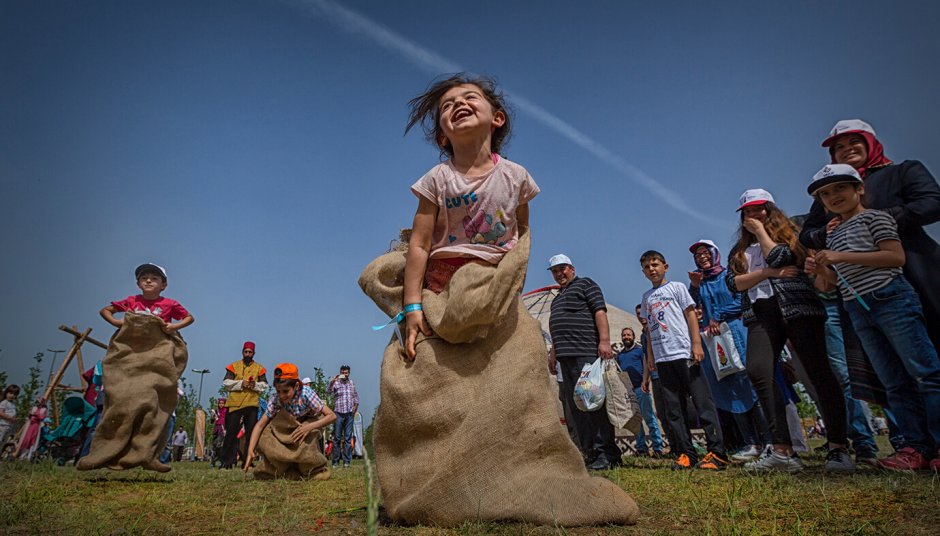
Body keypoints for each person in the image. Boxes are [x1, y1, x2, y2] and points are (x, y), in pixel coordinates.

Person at [806, 163, 940, 471]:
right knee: (892, 381)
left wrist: (839, 257)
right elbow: (831, 283)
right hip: (857, 306)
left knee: (925, 372)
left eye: (840, 188)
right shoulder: (832, 234)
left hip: (891, 297)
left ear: (859, 189)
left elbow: (895, 256)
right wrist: (821, 269)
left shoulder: (875, 217)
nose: (833, 196)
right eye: (826, 194)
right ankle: (916, 446)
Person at [401, 73, 539, 361]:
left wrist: (514, 283)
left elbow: (522, 235)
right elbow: (420, 243)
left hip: (495, 280)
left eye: (469, 97)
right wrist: (412, 306)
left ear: (497, 118)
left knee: (518, 358)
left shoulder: (516, 177)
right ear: (442, 135)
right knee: (432, 362)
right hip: (443, 283)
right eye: (448, 105)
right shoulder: (436, 179)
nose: (458, 103)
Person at [726, 189, 853, 473]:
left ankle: (838, 448)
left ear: (771, 209)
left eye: (759, 209)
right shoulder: (739, 251)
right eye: (748, 212)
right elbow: (733, 283)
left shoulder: (791, 234)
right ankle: (782, 450)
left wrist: (760, 233)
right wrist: (767, 274)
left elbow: (780, 256)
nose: (753, 215)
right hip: (760, 314)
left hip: (796, 307)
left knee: (818, 371)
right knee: (758, 370)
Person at [800, 119, 940, 352]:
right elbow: (807, 234)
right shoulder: (828, 193)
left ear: (871, 143)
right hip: (860, 288)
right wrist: (825, 233)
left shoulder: (902, 171)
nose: (847, 149)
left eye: (854, 141)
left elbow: (932, 203)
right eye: (839, 147)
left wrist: (873, 219)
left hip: (915, 270)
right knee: (883, 362)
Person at [639, 250, 728, 471]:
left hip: (683, 353)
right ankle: (686, 453)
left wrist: (696, 344)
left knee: (702, 403)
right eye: (647, 267)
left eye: (655, 264)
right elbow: (650, 329)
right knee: (673, 410)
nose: (652, 269)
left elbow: (690, 314)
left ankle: (717, 452)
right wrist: (651, 356)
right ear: (643, 272)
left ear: (665, 266)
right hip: (662, 358)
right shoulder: (646, 297)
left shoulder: (677, 288)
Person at [687, 239, 772, 461]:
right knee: (728, 389)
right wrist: (695, 287)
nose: (702, 257)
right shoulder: (700, 282)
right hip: (715, 340)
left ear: (714, 254)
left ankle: (770, 440)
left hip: (736, 332)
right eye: (698, 255)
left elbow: (742, 299)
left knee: (750, 385)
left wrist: (719, 315)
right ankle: (749, 442)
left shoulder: (729, 276)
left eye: (706, 253)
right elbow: (692, 308)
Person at [546, 254, 622, 470]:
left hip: (586, 354)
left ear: (571, 268)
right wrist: (553, 354)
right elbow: (555, 328)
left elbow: (600, 311)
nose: (559, 274)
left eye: (562, 269)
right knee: (577, 407)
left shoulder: (586, 284)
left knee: (593, 403)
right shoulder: (558, 298)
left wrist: (605, 341)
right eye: (555, 271)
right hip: (565, 359)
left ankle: (607, 453)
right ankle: (589, 452)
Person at [243, 363, 335, 476]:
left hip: (310, 423)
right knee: (268, 435)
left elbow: (331, 416)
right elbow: (260, 425)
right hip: (288, 425)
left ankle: (311, 469)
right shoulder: (276, 399)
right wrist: (250, 450)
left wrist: (308, 427)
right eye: (278, 391)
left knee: (305, 448)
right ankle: (282, 468)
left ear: (296, 386)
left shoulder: (306, 394)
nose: (282, 395)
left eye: (286, 391)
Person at [100, 263, 194, 334]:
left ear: (163, 285)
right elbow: (105, 311)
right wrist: (116, 322)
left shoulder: (170, 304)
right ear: (138, 284)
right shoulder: (131, 300)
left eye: (154, 278)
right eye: (144, 278)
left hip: (159, 342)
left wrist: (175, 326)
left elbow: (189, 318)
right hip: (132, 341)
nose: (148, 281)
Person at [616, 328, 663, 457]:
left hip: (641, 388)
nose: (626, 337)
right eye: (624, 335)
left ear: (633, 336)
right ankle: (641, 448)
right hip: (628, 392)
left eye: (629, 335)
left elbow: (646, 366)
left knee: (649, 418)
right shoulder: (619, 356)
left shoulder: (639, 351)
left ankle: (658, 447)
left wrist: (645, 381)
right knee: (635, 421)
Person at [220, 341, 268, 469]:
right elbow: (226, 382)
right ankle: (227, 462)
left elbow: (264, 385)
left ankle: (248, 461)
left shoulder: (259, 368)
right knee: (231, 433)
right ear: (242, 352)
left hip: (251, 404)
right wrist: (241, 383)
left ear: (254, 353)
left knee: (251, 434)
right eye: (246, 352)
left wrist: (255, 385)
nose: (248, 354)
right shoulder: (233, 366)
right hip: (235, 403)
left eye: (250, 352)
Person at [327, 365, 359, 468]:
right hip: (338, 413)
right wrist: (332, 381)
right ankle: (335, 462)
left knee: (348, 438)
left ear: (349, 373)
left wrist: (355, 407)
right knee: (336, 438)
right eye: (342, 372)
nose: (344, 375)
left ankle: (346, 462)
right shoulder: (336, 383)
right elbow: (328, 392)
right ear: (340, 373)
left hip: (349, 414)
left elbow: (356, 396)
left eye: (346, 373)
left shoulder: (351, 383)